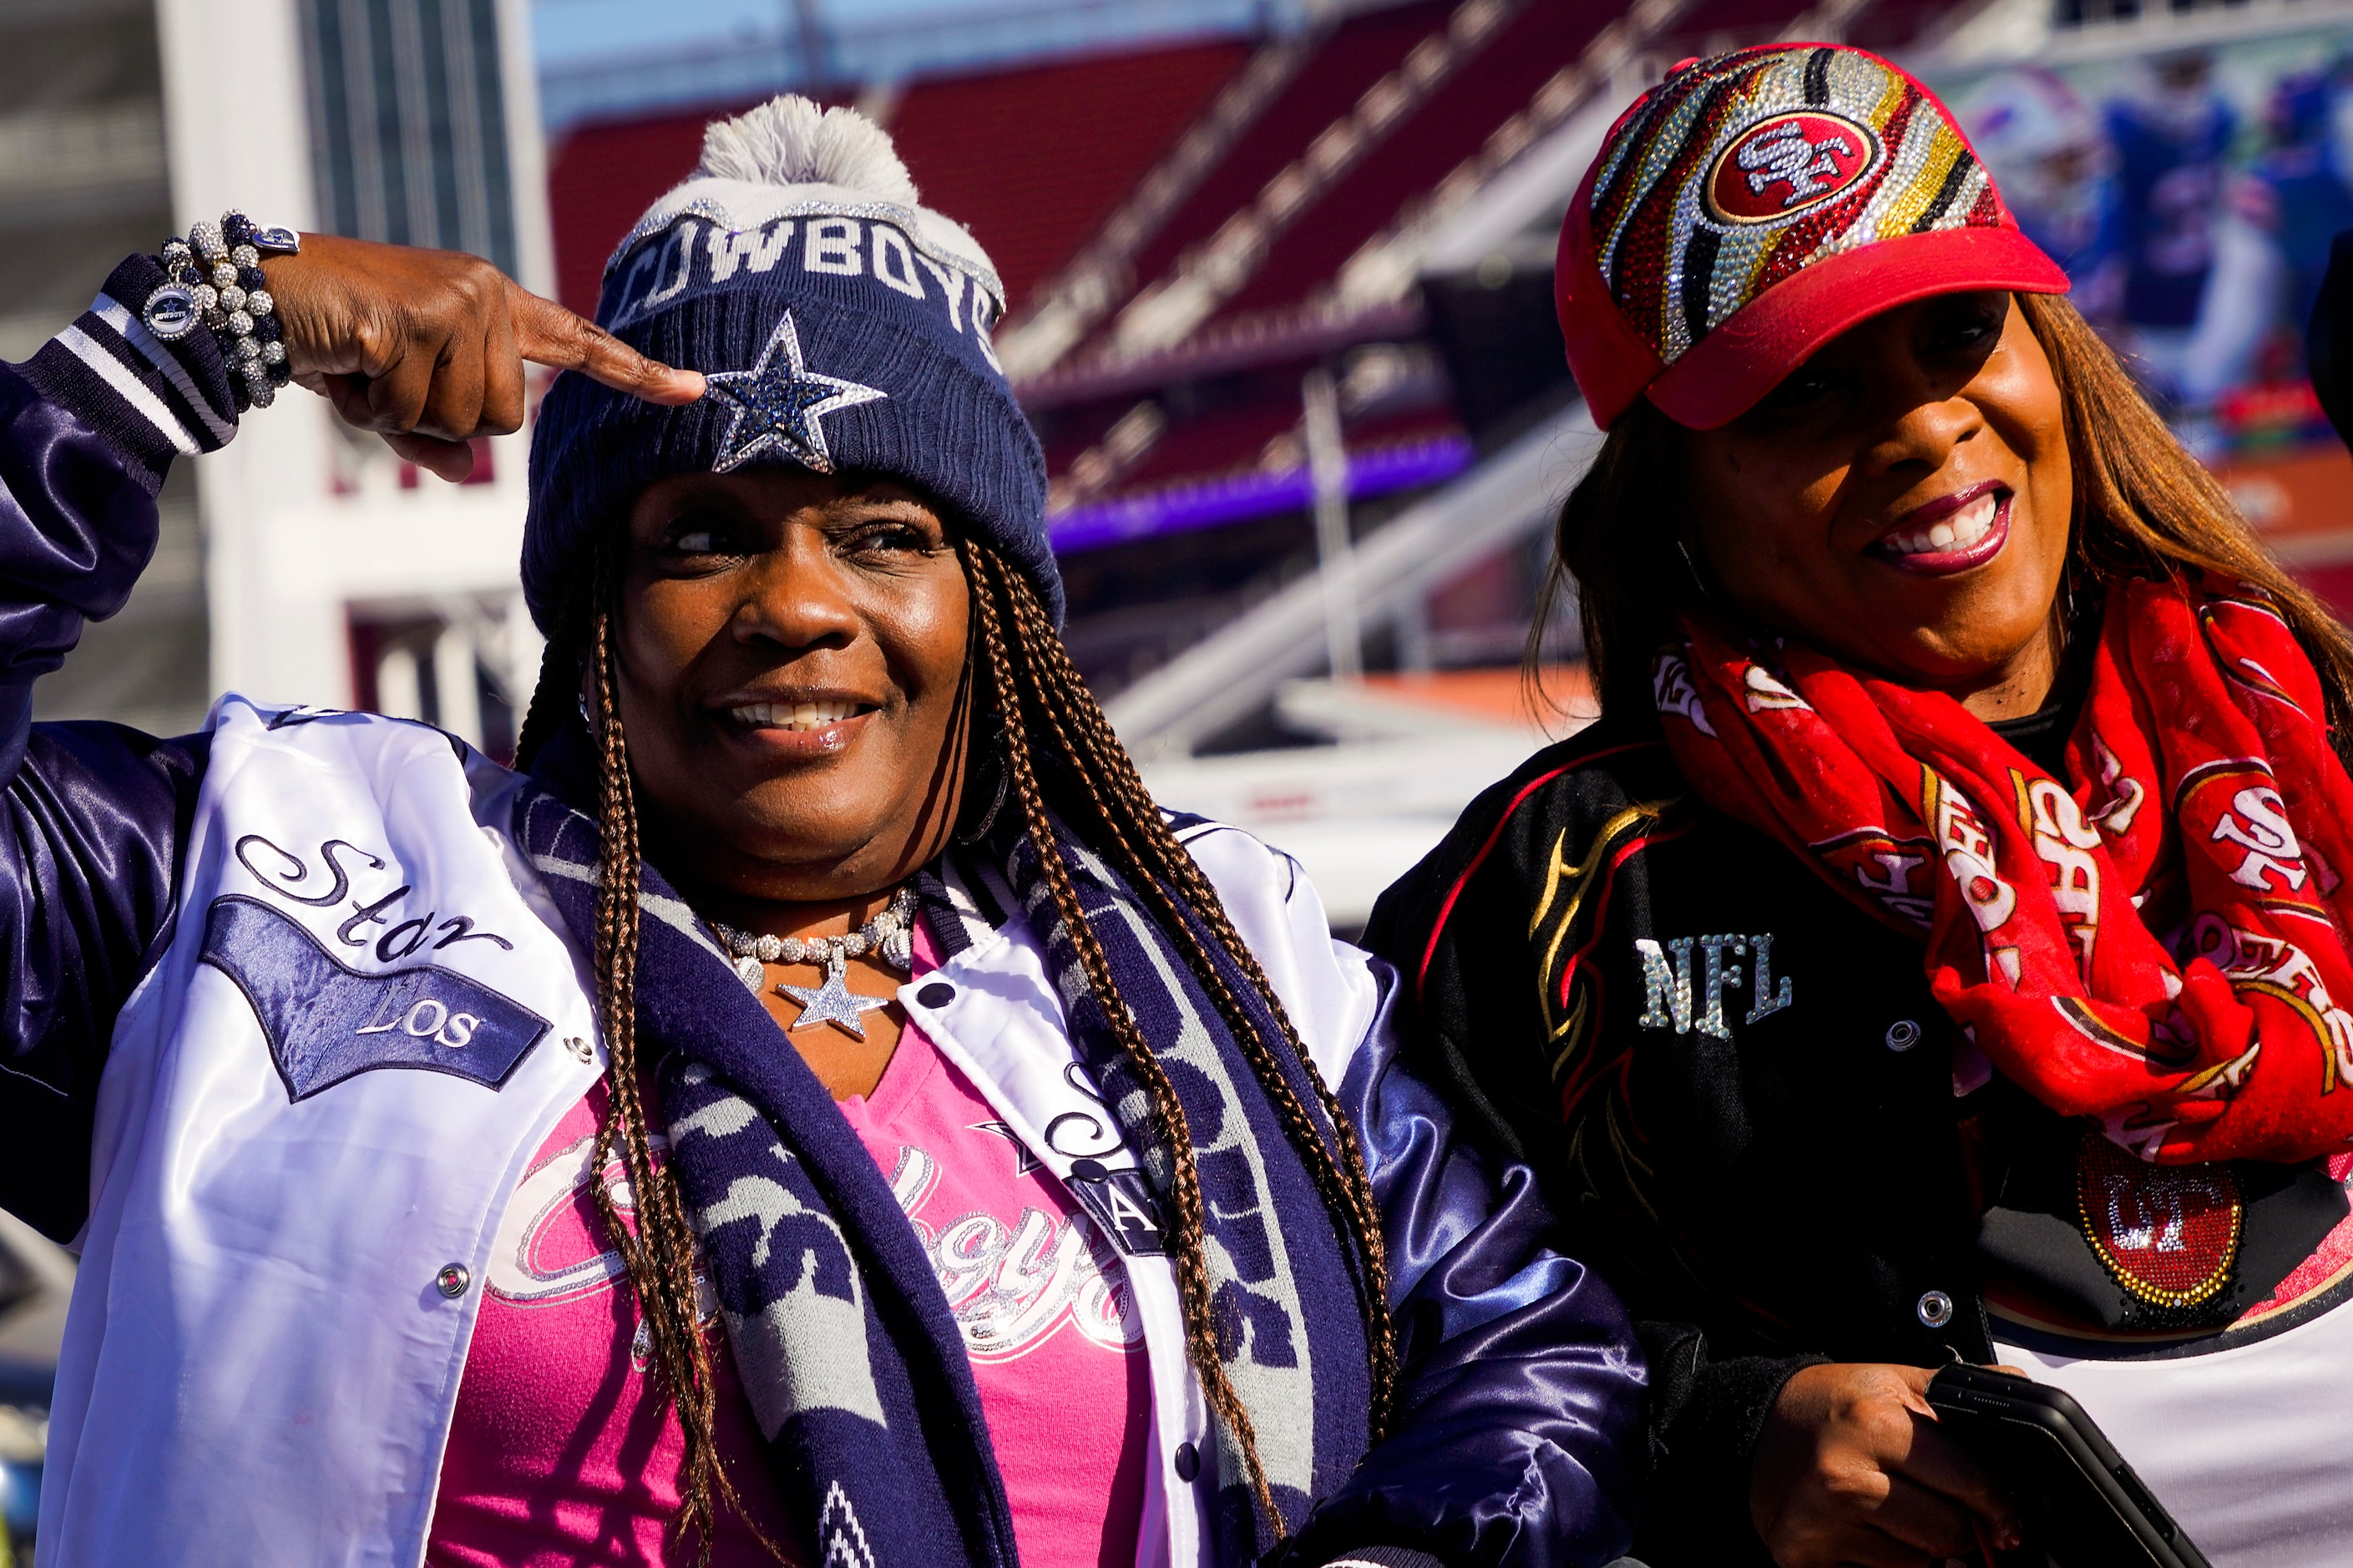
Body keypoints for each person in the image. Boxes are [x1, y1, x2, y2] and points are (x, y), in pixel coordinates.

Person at [0, 99, 1645, 1566]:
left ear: (988, 603)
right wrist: (179, 345)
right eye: (701, 534)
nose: (793, 605)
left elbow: (1527, 1355)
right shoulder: (250, 874)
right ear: (593, 608)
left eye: (879, 533)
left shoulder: (1228, 963)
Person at [1369, 43, 2353, 1568]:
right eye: (1801, 391)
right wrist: (1728, 1437)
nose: (1920, 427)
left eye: (1958, 331)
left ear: (2051, 352)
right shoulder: (1548, 890)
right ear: (1666, 487)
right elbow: (1395, 1381)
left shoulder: (2326, 725)